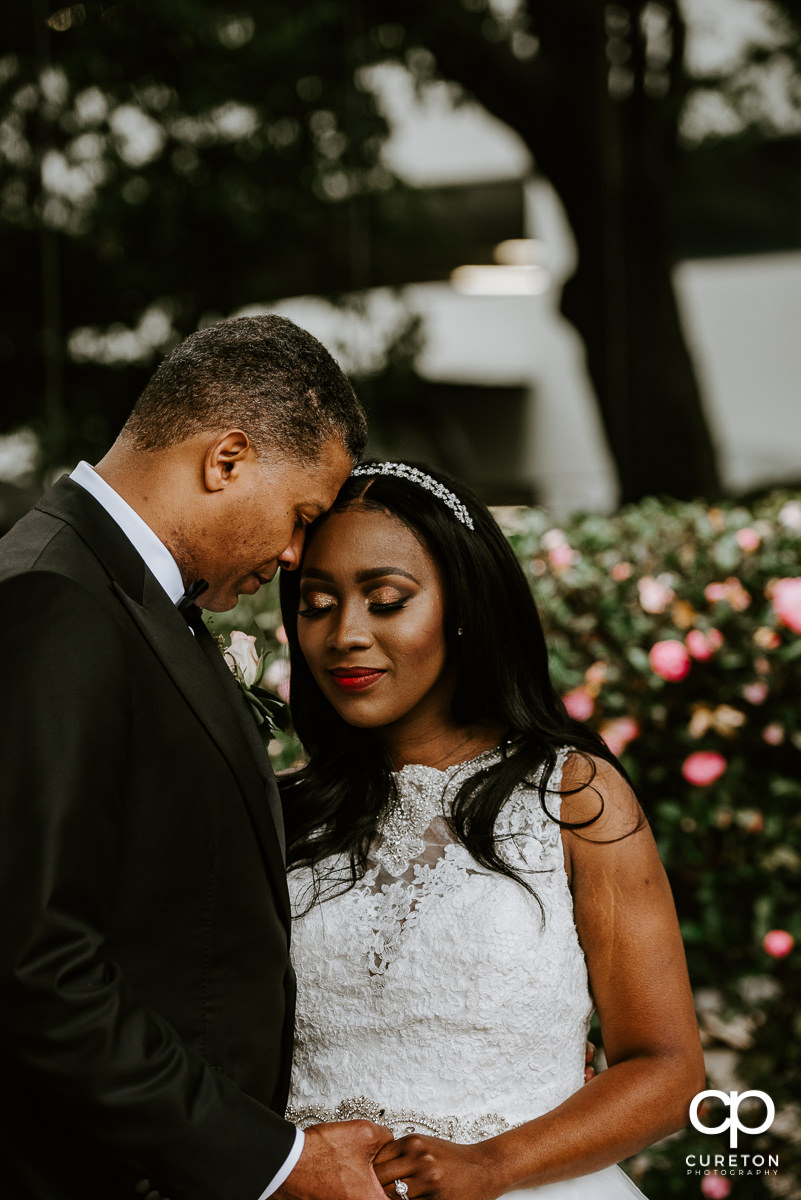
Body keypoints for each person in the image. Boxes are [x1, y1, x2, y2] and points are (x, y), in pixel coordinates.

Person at [0, 316, 394, 1200]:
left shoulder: (121, 597)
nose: (294, 555)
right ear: (227, 458)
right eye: (299, 518)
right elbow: (32, 962)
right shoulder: (51, 602)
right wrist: (272, 1161)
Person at [278, 460, 706, 1200]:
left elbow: (667, 1071)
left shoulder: (571, 795)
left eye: (385, 600)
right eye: (316, 604)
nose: (345, 634)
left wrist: (491, 1164)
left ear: (463, 606)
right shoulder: (282, 812)